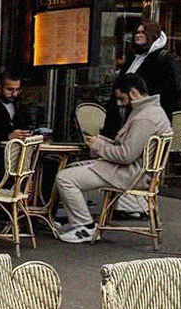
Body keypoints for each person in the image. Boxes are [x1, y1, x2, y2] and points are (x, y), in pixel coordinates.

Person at [54, 73, 171, 244]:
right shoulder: (151, 112)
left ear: (133, 93)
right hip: (135, 171)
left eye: (121, 98)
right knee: (72, 170)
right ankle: (78, 222)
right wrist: (103, 142)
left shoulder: (144, 117)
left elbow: (126, 155)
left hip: (131, 174)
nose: (119, 103)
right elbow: (130, 149)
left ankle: (85, 226)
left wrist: (99, 147)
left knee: (65, 178)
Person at [104, 20, 181, 138]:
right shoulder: (133, 58)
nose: (138, 35)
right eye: (137, 32)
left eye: (143, 32)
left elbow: (176, 92)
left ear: (151, 35)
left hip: (148, 121)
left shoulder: (164, 58)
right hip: (125, 118)